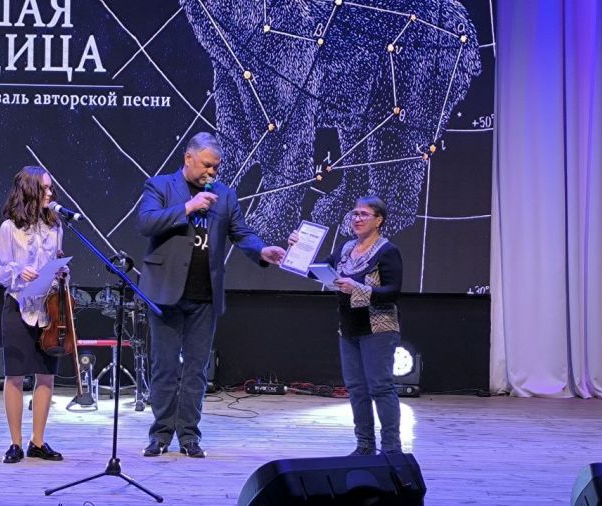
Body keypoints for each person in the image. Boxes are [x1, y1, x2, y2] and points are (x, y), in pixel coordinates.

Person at [137, 132, 286, 458]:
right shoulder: (160, 186)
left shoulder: (225, 195)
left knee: (196, 369)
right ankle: (160, 434)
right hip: (165, 292)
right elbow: (146, 222)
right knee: (164, 368)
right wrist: (188, 207)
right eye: (206, 165)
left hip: (204, 294)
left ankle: (189, 435)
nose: (212, 172)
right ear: (188, 158)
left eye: (216, 167)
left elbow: (241, 233)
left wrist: (263, 251)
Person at [289, 196, 403, 455]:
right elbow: (316, 270)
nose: (357, 219)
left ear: (379, 220)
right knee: (356, 389)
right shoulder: (346, 248)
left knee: (380, 387)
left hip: (378, 328)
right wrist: (296, 250)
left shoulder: (387, 251)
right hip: (349, 327)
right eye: (355, 214)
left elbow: (393, 292)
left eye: (364, 214)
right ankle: (364, 445)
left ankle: (391, 449)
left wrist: (358, 288)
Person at [0, 166, 67, 464]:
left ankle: (38, 441)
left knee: (46, 375)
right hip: (18, 305)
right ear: (30, 190)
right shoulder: (9, 228)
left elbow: (57, 261)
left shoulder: (55, 226)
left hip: (48, 308)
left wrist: (61, 271)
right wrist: (18, 271)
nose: (50, 193)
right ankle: (15, 443)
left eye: (50, 188)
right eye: (44, 188)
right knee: (14, 375)